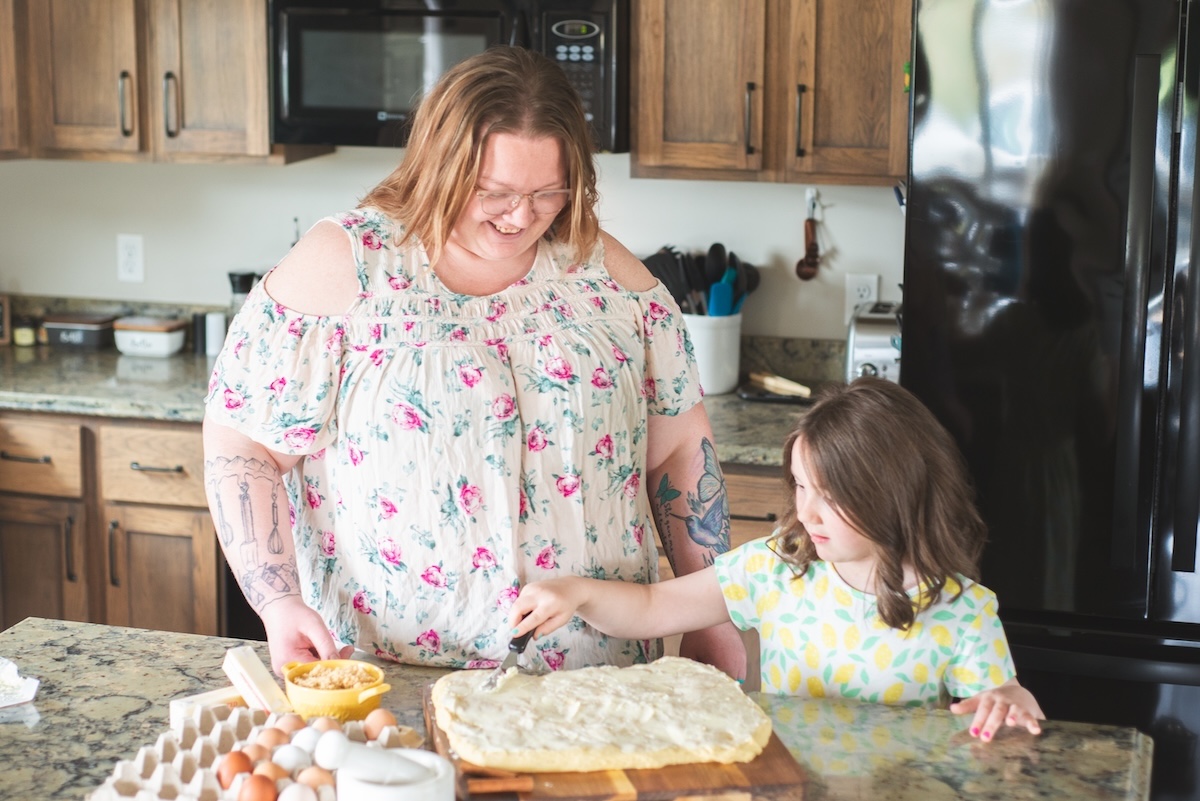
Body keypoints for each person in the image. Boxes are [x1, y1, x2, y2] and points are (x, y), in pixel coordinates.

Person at [201, 46, 744, 679]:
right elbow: (243, 448)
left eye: (548, 194)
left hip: (593, 678)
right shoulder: (345, 267)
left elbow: (680, 453)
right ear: (439, 165)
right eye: (494, 193)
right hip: (388, 670)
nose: (521, 217)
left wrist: (713, 614)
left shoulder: (608, 278)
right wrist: (277, 601)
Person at [510, 377, 1046, 744]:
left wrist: (1010, 700)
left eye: (831, 495)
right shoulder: (778, 570)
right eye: (801, 487)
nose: (807, 511)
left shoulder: (962, 610)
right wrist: (577, 593)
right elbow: (652, 607)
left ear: (894, 492)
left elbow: (995, 720)